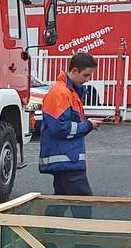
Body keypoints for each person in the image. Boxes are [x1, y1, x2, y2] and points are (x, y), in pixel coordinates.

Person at [39, 52, 103, 195]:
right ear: (74, 71)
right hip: (68, 159)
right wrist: (88, 125)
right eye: (86, 75)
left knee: (60, 204)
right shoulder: (62, 93)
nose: (87, 80)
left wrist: (88, 125)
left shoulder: (67, 92)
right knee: (83, 203)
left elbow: (64, 127)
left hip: (65, 159)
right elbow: (61, 128)